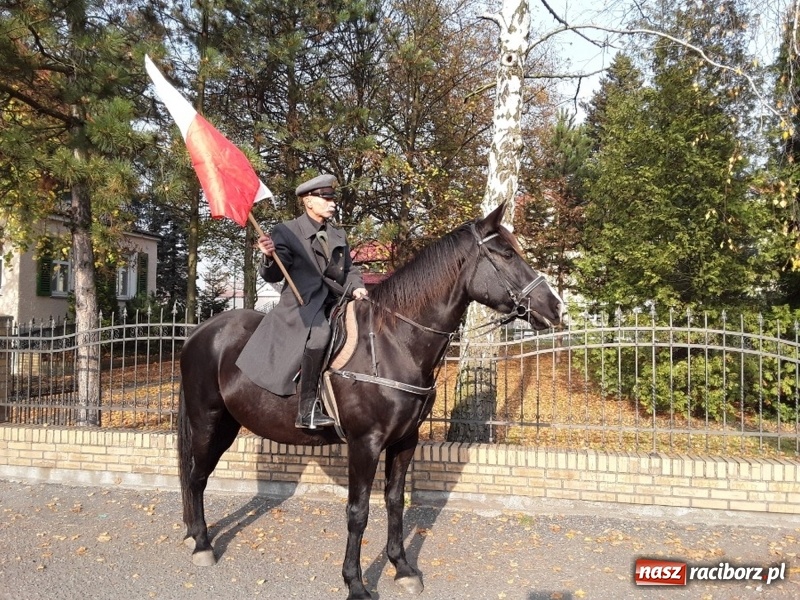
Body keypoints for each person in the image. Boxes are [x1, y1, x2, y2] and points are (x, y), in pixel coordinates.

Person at [235, 174, 368, 429]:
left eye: (333, 198)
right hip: (303, 303)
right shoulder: (287, 231)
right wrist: (268, 257)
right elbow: (275, 272)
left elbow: (349, 269)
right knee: (320, 337)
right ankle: (306, 410)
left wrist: (358, 288)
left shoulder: (337, 234)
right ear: (308, 201)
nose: (332, 203)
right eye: (326, 198)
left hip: (335, 299)